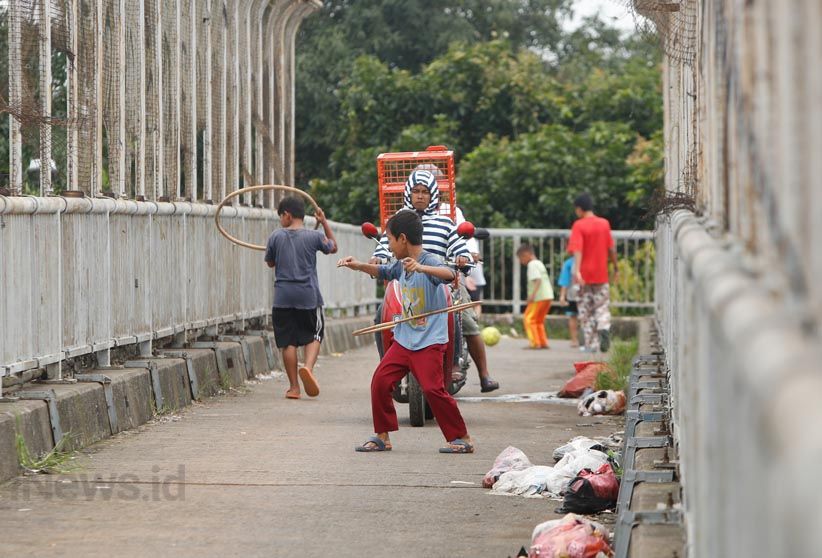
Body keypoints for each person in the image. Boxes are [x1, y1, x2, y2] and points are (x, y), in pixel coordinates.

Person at [338, 211, 474, 454]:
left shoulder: (429, 260)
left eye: (390, 240)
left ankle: (461, 437)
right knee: (380, 382)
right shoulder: (400, 265)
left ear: (402, 239)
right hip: (404, 340)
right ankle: (382, 436)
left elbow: (450, 274)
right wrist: (357, 265)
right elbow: (382, 271)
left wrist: (421, 268)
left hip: (429, 341)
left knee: (433, 390)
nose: (389, 246)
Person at [371, 169, 499, 393]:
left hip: (440, 283)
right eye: (416, 191)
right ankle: (386, 363)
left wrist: (462, 258)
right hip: (405, 285)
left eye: (425, 192)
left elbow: (459, 248)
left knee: (461, 316)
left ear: (433, 195)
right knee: (381, 314)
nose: (420, 196)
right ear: (408, 193)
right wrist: (377, 258)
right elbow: (384, 247)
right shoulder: (397, 221)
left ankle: (464, 366)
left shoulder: (445, 223)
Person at [264, 196, 337, 399]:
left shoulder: (275, 236)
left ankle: (294, 387)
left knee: (288, 342)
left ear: (287, 215)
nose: (280, 220)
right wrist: (323, 222)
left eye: (281, 216)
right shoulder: (314, 237)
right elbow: (333, 247)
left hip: (282, 297)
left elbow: (270, 263)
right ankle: (308, 368)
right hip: (308, 296)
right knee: (314, 335)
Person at [567, 193, 618, 353]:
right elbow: (611, 248)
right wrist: (616, 267)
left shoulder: (578, 225)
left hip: (583, 277)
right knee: (602, 307)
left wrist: (577, 271)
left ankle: (592, 346)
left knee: (586, 312)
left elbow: (577, 249)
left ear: (579, 209)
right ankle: (603, 326)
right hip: (601, 275)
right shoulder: (604, 223)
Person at [516, 244, 554, 349]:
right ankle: (542, 342)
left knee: (528, 318)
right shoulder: (539, 263)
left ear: (527, 254)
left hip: (539, 297)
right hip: (548, 296)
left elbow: (538, 280)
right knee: (538, 320)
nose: (521, 261)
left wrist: (532, 296)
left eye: (521, 258)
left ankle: (535, 343)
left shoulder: (532, 264)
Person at [557, 256, 581, 348]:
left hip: (573, 294)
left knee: (573, 316)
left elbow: (564, 281)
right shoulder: (589, 260)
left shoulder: (569, 262)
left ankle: (574, 340)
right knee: (586, 317)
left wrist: (562, 296)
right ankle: (587, 339)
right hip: (586, 294)